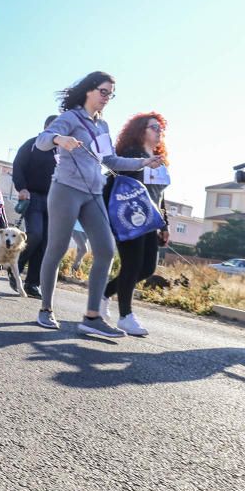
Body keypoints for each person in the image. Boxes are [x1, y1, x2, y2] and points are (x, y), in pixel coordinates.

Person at [33, 72, 163, 335]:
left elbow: (111, 161)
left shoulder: (102, 126)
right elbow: (42, 141)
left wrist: (143, 162)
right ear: (89, 91)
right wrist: (60, 139)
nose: (107, 98)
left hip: (93, 194)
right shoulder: (70, 118)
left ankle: (92, 317)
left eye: (110, 94)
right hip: (66, 189)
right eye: (103, 92)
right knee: (56, 249)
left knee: (105, 250)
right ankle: (46, 308)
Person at [101, 112, 171, 336]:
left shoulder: (159, 159)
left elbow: (159, 196)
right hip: (129, 218)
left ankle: (104, 294)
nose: (159, 132)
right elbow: (116, 184)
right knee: (132, 264)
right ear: (140, 130)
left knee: (147, 268)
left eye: (161, 128)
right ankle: (125, 316)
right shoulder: (132, 155)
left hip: (150, 220)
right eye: (154, 127)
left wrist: (164, 224)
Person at [12, 116, 57, 298]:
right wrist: (21, 187)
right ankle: (16, 267)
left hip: (54, 200)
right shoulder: (32, 144)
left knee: (45, 243)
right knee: (35, 234)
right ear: (46, 127)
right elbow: (18, 166)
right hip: (32, 196)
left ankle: (32, 283)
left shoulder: (61, 150)